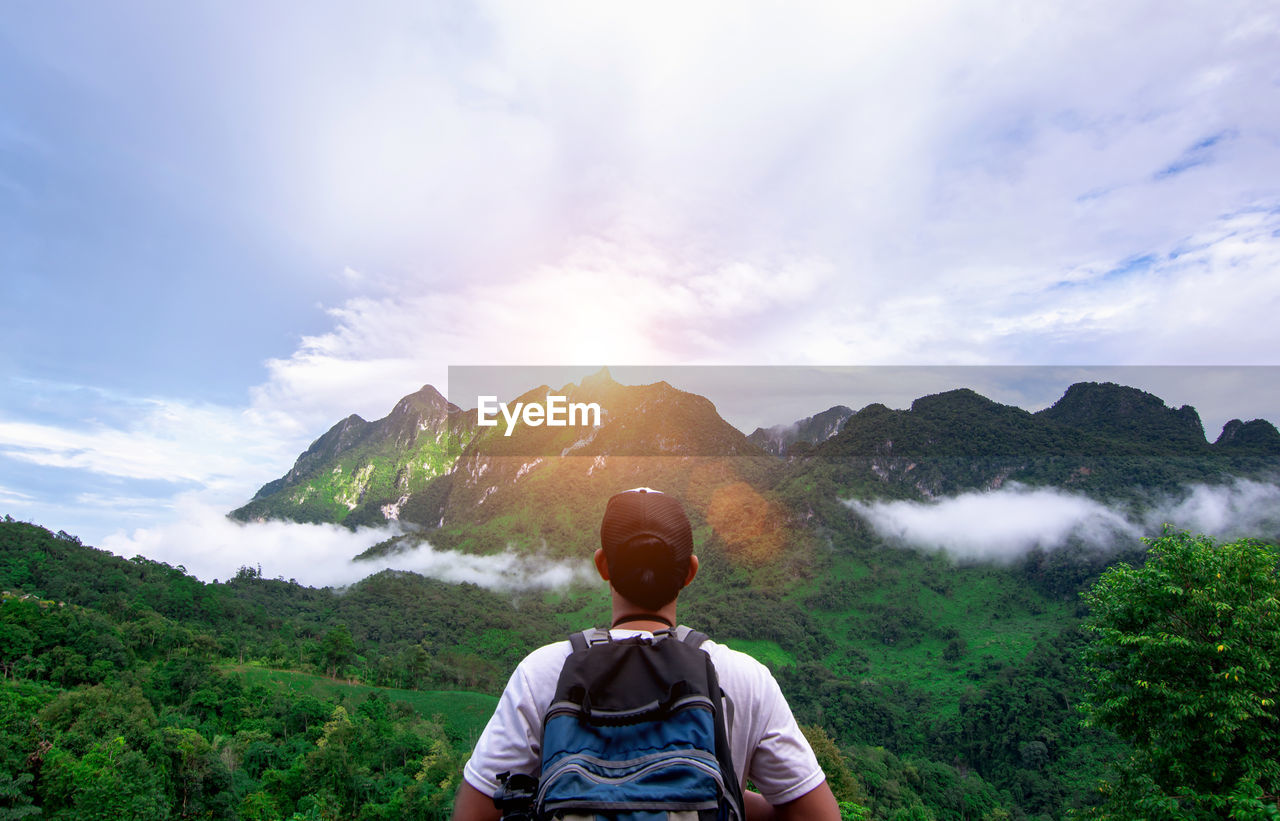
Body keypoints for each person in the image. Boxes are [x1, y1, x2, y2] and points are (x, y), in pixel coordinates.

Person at [452, 487, 841, 821]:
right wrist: (727, 795)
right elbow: (817, 814)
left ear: (602, 566)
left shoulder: (542, 673)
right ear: (690, 572)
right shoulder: (744, 678)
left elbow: (474, 812)